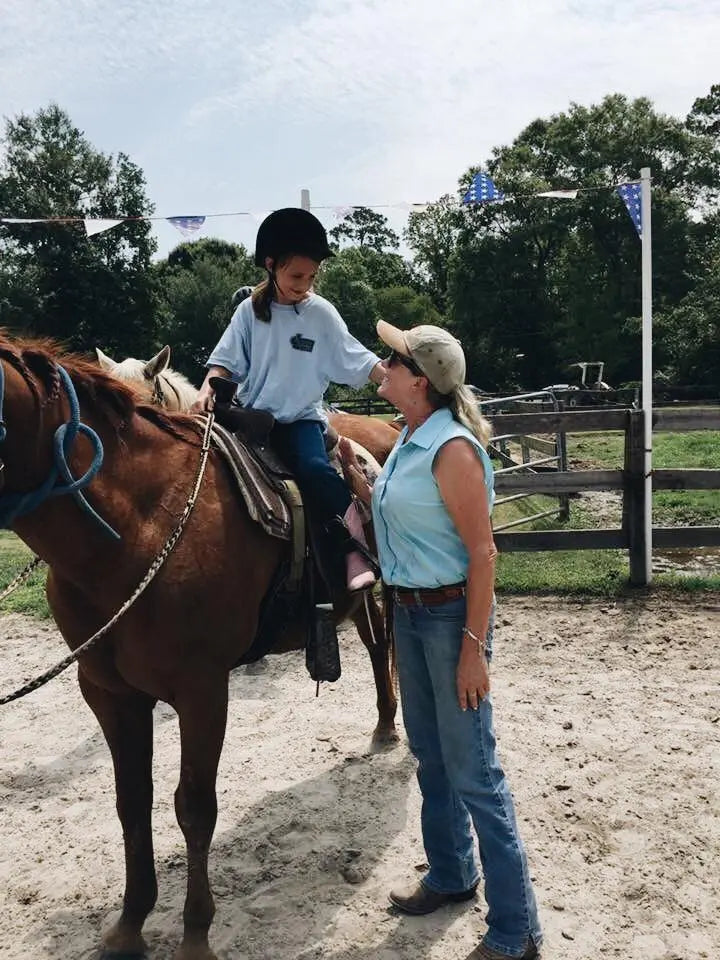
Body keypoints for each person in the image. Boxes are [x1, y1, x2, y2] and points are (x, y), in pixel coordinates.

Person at [341, 321, 542, 960]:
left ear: (419, 380)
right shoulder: (409, 439)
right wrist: (365, 485)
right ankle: (452, 874)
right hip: (409, 614)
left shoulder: (452, 448)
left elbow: (483, 553)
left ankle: (517, 929)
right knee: (430, 754)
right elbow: (408, 521)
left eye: (391, 359)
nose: (382, 366)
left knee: (476, 773)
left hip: (451, 617)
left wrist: (474, 647)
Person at [192, 208, 382, 593]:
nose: (304, 285)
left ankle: (353, 549)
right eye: (297, 276)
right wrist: (206, 389)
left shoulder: (321, 314)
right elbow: (223, 363)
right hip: (250, 420)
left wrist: (394, 377)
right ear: (271, 264)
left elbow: (354, 356)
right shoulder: (249, 313)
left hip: (299, 421)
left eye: (311, 276)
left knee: (314, 470)